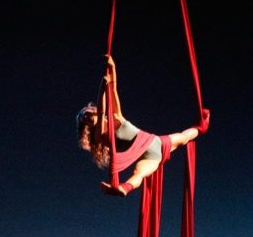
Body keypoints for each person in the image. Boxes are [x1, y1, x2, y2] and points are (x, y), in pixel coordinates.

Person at [76, 55, 208, 196]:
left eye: (87, 114)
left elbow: (113, 90)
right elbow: (102, 111)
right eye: (85, 120)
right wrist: (102, 88)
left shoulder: (116, 116)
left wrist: (112, 67)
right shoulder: (99, 135)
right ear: (87, 127)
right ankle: (123, 188)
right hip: (148, 156)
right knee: (138, 174)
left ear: (93, 111)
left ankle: (202, 127)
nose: (87, 118)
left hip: (157, 143)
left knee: (185, 136)